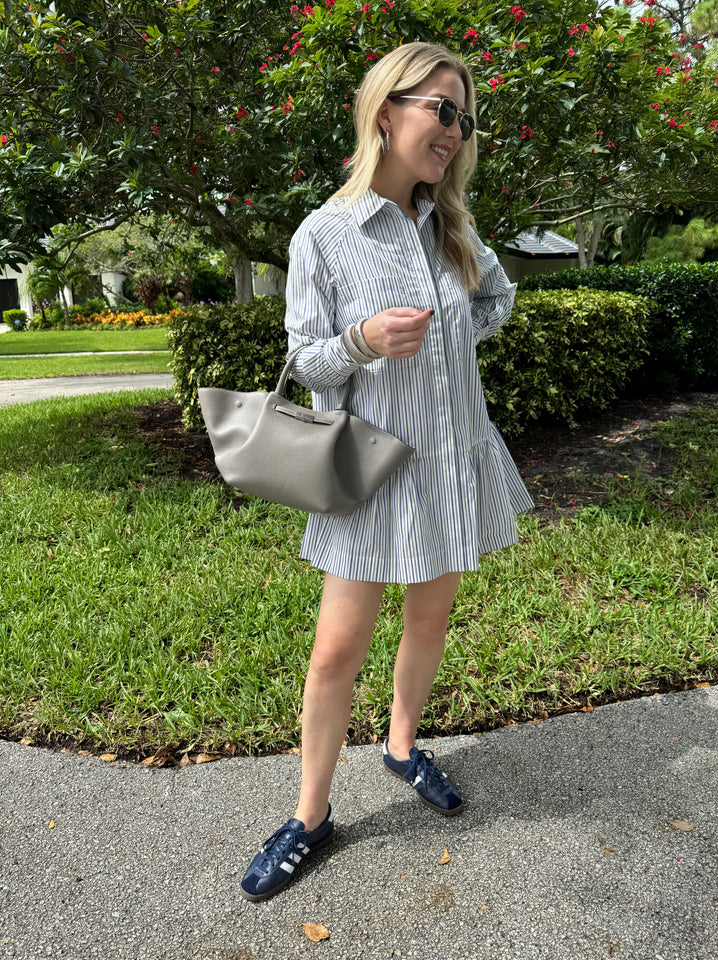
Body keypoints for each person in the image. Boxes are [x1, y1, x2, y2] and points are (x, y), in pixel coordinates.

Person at [240, 41, 533, 902]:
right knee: (335, 652)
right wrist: (364, 344)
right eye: (440, 109)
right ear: (386, 110)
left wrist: (455, 332)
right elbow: (305, 360)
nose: (453, 130)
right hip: (371, 473)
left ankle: (403, 744)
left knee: (431, 616)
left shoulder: (453, 224)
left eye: (463, 118)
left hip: (449, 463)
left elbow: (499, 299)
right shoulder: (326, 233)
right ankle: (309, 815)